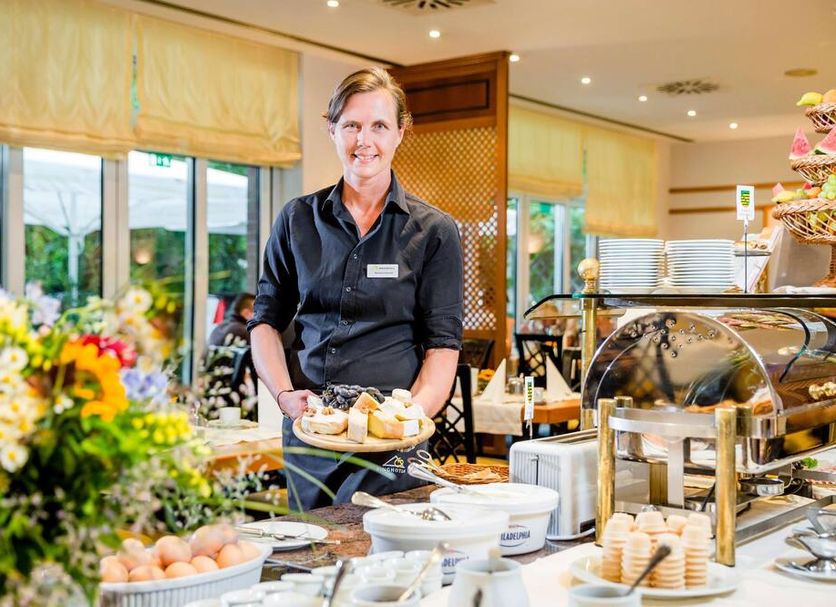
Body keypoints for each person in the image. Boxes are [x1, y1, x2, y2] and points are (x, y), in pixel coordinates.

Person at [248, 67, 464, 510]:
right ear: (332, 130)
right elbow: (265, 321)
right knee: (314, 545)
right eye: (351, 125)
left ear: (400, 132)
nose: (364, 140)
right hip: (312, 428)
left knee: (382, 545)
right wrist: (285, 397)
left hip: (392, 441)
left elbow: (442, 345)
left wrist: (408, 419)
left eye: (379, 126)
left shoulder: (434, 231)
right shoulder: (297, 220)